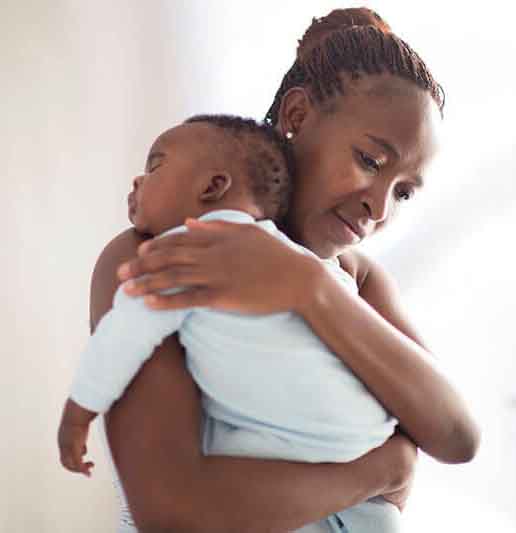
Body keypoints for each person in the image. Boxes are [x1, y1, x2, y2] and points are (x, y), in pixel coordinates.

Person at [85, 7, 480, 533]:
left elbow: (457, 435)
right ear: (295, 116)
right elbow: (171, 508)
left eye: (403, 192)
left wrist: (309, 286)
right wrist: (382, 468)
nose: (380, 209)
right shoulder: (157, 254)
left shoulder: (354, 280)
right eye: (369, 160)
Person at [59, 113, 401, 532]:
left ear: (212, 187)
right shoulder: (321, 271)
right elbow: (439, 437)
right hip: (367, 441)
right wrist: (391, 467)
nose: (137, 181)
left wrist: (78, 414)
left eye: (154, 166)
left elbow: (122, 337)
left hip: (298, 456)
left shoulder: (183, 253)